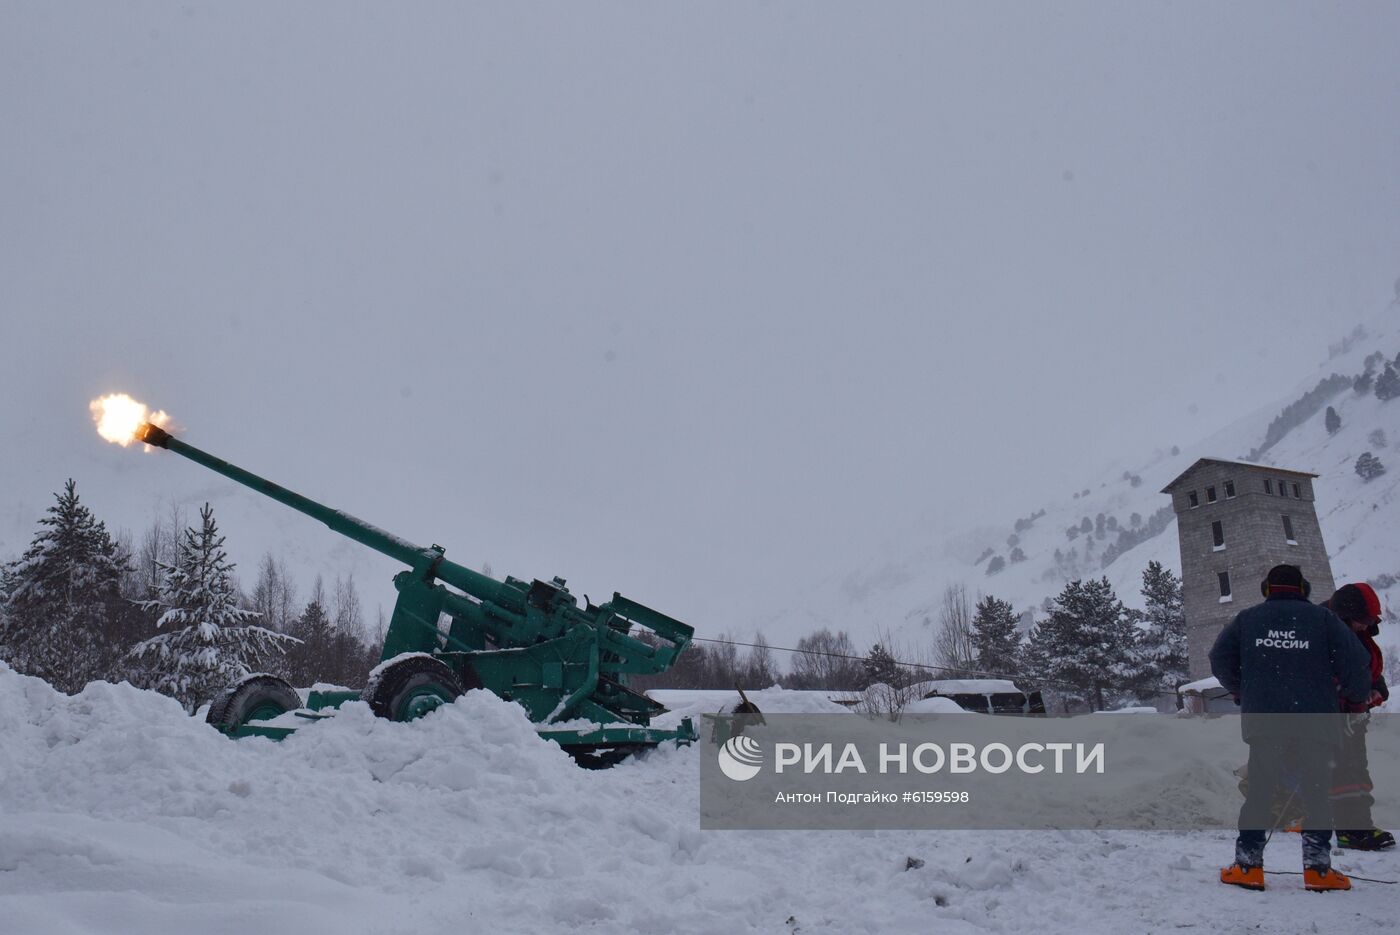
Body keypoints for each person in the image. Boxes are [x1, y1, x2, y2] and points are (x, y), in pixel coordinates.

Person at [1209, 564, 1371, 892]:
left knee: (1260, 791)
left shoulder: (1247, 620)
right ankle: (1318, 871)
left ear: (1266, 588)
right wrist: (1353, 701)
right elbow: (1357, 663)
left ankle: (1248, 867)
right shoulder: (1325, 621)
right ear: (1305, 589)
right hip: (1316, 721)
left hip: (1266, 720)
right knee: (1316, 793)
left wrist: (1242, 689)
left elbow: (1219, 659)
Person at [1322, 582, 1394, 851]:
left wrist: (1377, 690)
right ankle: (1350, 830)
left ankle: (1361, 824)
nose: (1367, 626)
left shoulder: (1354, 633)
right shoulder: (1326, 633)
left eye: (1371, 621)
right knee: (1344, 774)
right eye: (1363, 620)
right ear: (1345, 615)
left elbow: (1367, 670)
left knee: (1357, 770)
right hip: (1336, 717)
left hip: (1354, 715)